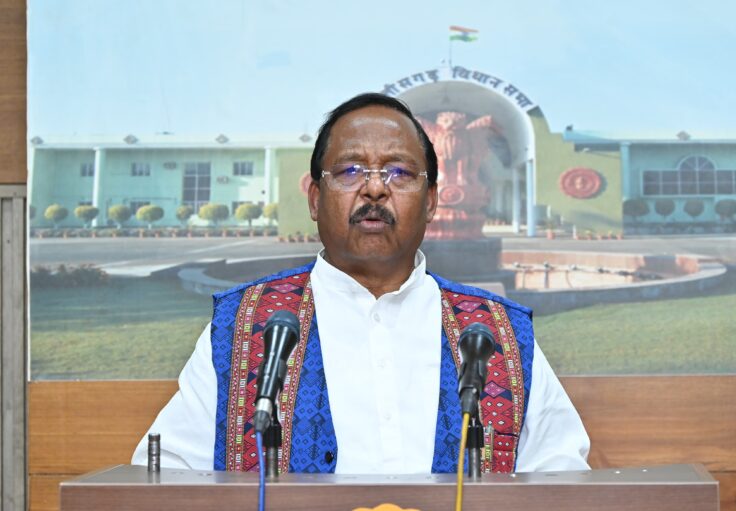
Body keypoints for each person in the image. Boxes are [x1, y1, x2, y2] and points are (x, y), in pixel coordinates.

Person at [132, 93, 589, 474]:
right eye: (350, 171)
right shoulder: (245, 327)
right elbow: (166, 475)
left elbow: (562, 478)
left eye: (399, 172)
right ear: (315, 198)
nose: (374, 189)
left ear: (431, 201)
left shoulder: (496, 334)